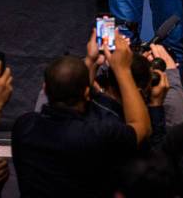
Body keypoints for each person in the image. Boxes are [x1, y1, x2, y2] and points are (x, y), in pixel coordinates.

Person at [12, 35, 151, 197]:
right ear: (86, 92)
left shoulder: (24, 127)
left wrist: (90, 61)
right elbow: (141, 126)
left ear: (45, 88)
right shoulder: (100, 134)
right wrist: (123, 70)